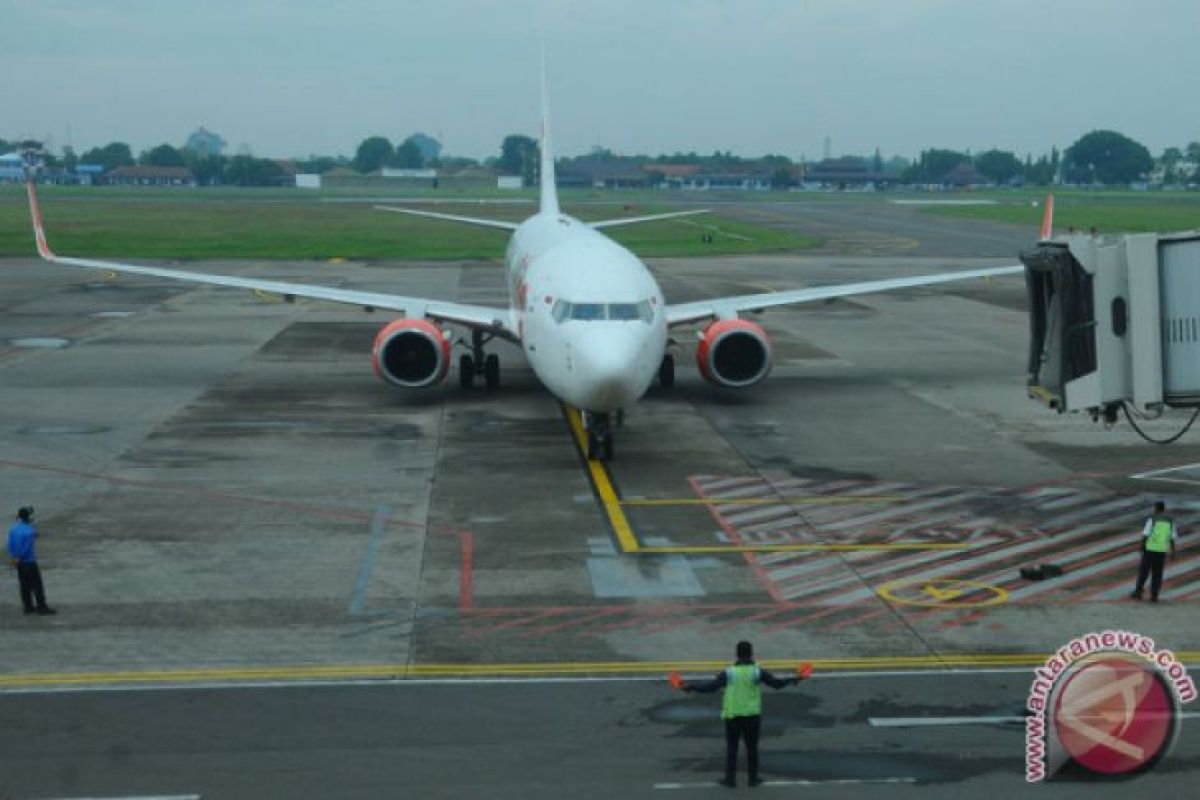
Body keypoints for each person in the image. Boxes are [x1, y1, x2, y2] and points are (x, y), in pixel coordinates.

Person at [680, 641, 807, 788]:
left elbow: (710, 687)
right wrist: (795, 679)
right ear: (751, 653)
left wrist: (690, 687)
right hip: (752, 716)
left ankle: (730, 780)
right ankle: (753, 779)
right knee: (752, 749)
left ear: (737, 654)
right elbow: (776, 684)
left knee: (732, 749)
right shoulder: (757, 671)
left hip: (733, 716)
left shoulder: (729, 672)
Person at [7, 507, 55, 615]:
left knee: (24, 585)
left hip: (18, 563)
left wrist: (13, 557)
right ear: (28, 518)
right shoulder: (29, 531)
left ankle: (28, 607)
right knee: (37, 585)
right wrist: (19, 556)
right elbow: (26, 547)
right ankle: (42, 607)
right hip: (29, 561)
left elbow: (9, 545)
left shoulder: (13, 529)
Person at [1131, 500, 1178, 603]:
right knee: (1157, 573)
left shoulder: (1152, 519)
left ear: (1156, 508)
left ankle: (1138, 592)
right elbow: (1172, 538)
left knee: (1144, 571)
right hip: (1161, 551)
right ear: (1164, 509)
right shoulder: (1170, 521)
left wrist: (1141, 547)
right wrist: (1173, 552)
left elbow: (1145, 534)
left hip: (1150, 550)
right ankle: (1154, 595)